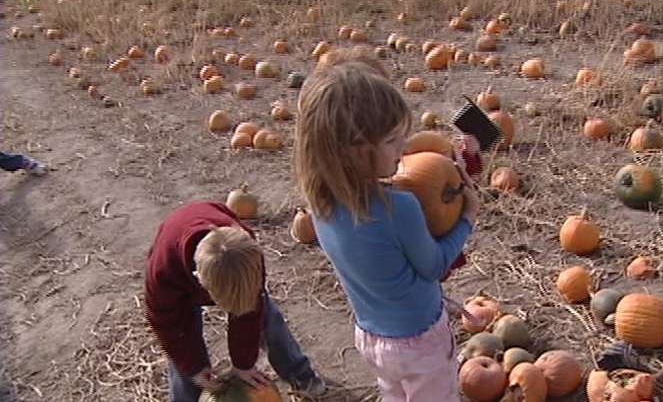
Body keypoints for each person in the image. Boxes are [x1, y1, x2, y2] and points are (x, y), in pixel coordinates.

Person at [294, 47, 480, 401]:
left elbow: (389, 272)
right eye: (393, 140)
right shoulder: (399, 207)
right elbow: (434, 265)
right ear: (355, 149)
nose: (403, 148)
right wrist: (468, 217)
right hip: (420, 342)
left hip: (372, 337)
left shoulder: (321, 203)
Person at [145, 202, 326, 400]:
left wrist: (243, 365)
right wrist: (194, 368)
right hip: (179, 269)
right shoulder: (164, 273)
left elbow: (250, 311)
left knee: (266, 317)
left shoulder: (248, 254)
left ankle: (300, 375)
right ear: (200, 282)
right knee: (182, 341)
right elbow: (165, 325)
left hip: (218, 255)